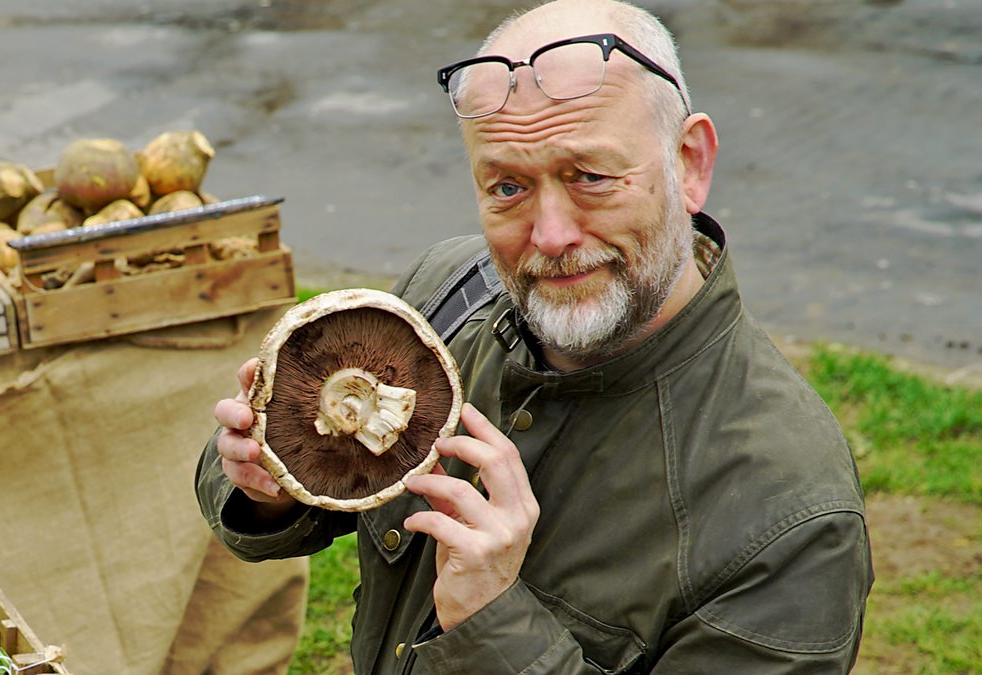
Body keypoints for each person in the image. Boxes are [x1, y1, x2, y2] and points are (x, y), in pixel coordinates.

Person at [197, 0, 874, 671]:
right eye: (508, 187)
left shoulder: (788, 515)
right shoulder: (444, 293)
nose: (551, 236)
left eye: (591, 177)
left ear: (689, 163)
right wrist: (268, 489)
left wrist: (491, 621)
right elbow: (305, 491)